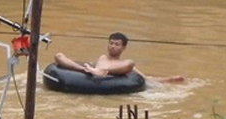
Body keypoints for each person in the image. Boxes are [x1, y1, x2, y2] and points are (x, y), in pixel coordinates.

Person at [53, 32, 185, 84]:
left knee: (131, 63)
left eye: (116, 45)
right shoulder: (103, 57)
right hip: (89, 72)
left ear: (123, 48)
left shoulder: (124, 64)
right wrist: (87, 69)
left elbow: (147, 80)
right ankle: (89, 70)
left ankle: (101, 72)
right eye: (111, 43)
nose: (112, 47)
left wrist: (170, 79)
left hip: (108, 74)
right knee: (59, 55)